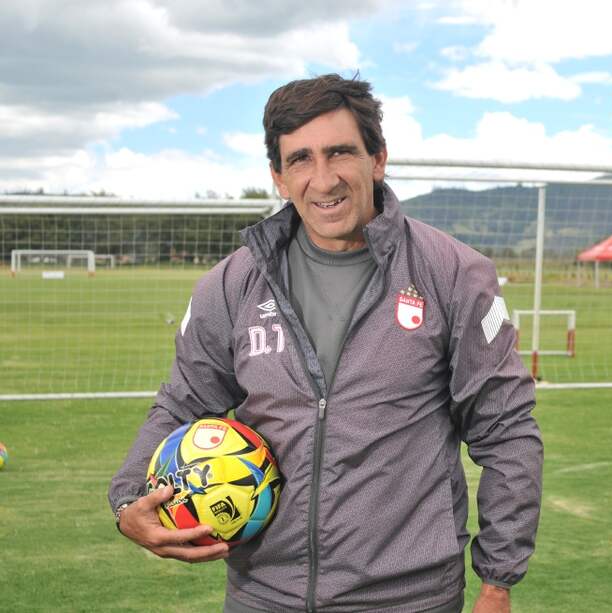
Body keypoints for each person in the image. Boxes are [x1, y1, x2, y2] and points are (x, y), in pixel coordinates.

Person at [108, 74, 543, 613]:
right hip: (264, 594)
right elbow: (183, 402)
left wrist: (497, 581)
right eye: (301, 160)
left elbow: (506, 428)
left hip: (410, 598)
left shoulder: (453, 275)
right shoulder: (233, 282)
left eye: (341, 153)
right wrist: (129, 497)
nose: (323, 178)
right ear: (278, 177)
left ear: (377, 159)